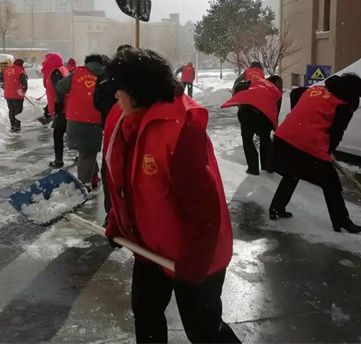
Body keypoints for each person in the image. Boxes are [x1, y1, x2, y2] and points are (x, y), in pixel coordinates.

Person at [103, 48, 240, 344]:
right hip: (149, 249)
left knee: (204, 331)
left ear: (139, 92)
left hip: (196, 254)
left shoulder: (180, 130)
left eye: (121, 89)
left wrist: (195, 263)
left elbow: (204, 208)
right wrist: (118, 223)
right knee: (146, 315)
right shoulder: (126, 123)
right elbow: (126, 185)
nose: (116, 95)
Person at [269, 74, 361, 233]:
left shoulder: (315, 90)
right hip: (308, 143)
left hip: (284, 137)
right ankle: (341, 221)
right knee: (331, 183)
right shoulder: (343, 104)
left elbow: (296, 93)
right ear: (352, 92)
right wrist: (328, 151)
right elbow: (337, 132)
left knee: (292, 173)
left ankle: (276, 208)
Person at [94, 44, 133, 224]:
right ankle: (122, 216)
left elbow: (96, 102)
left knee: (110, 170)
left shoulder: (105, 75)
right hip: (127, 126)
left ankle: (112, 215)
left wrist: (109, 112)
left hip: (111, 126)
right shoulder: (134, 75)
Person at [56, 54, 105, 189]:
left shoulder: (77, 73)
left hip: (75, 117)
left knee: (86, 152)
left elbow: (60, 86)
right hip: (95, 118)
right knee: (88, 151)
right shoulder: (105, 75)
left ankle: (87, 182)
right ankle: (88, 181)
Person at [222, 74, 282, 175]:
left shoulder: (257, 82)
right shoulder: (277, 92)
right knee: (265, 139)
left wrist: (239, 100)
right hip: (264, 117)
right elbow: (276, 110)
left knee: (248, 140)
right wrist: (274, 125)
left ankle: (253, 168)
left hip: (247, 113)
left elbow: (239, 85)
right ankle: (267, 166)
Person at [42, 53, 69, 168]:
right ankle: (81, 155)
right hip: (66, 108)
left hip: (62, 109)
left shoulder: (55, 73)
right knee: (69, 133)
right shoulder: (62, 69)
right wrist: (48, 109)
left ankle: (59, 160)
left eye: (46, 60)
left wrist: (57, 109)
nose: (44, 62)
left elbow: (59, 92)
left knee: (58, 134)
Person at [3, 58, 28, 133]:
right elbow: (24, 83)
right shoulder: (20, 71)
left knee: (11, 110)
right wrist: (23, 91)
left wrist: (8, 86)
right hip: (17, 95)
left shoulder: (6, 70)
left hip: (8, 94)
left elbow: (0, 78)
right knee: (18, 111)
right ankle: (17, 127)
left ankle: (12, 125)